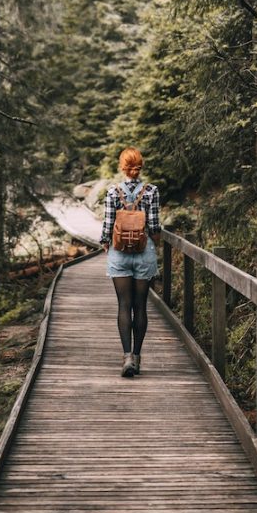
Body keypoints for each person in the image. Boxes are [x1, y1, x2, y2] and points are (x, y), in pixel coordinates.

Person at [100, 147, 161, 377]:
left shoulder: (113, 192)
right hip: (144, 254)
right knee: (140, 307)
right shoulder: (152, 191)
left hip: (119, 255)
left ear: (122, 166)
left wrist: (105, 242)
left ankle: (126, 358)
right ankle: (137, 356)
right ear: (140, 166)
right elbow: (154, 228)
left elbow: (107, 226)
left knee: (123, 305)